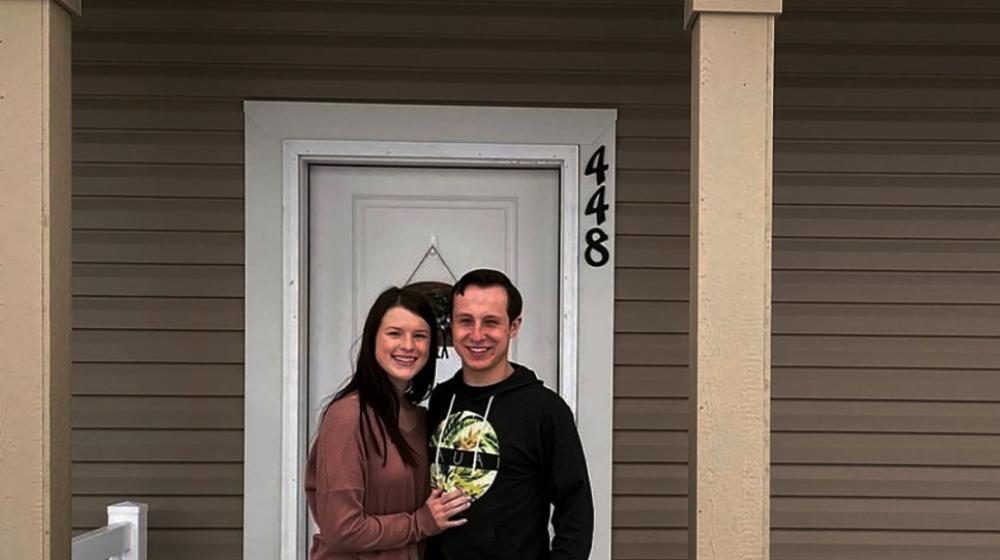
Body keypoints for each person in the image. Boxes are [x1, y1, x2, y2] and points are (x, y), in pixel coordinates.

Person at [426, 270, 594, 560]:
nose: (477, 335)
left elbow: (575, 509)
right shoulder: (442, 399)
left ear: (513, 326)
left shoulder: (545, 410)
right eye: (466, 321)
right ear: (452, 325)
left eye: (491, 322)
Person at [305, 287, 471, 560]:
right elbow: (341, 529)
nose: (408, 345)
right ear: (373, 340)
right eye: (394, 333)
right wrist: (420, 523)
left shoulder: (421, 419)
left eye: (420, 336)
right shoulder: (347, 417)